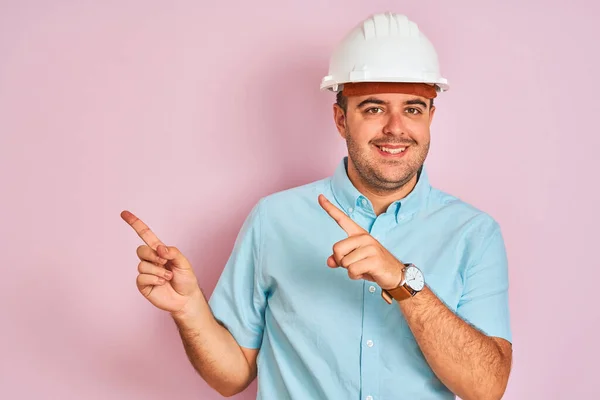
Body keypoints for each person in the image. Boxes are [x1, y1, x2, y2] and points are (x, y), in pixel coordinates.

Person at [121, 12, 512, 400]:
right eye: (373, 108)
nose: (396, 127)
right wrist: (188, 309)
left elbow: (487, 387)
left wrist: (403, 281)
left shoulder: (473, 233)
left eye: (412, 108)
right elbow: (232, 376)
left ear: (430, 117)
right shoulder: (274, 219)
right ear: (341, 120)